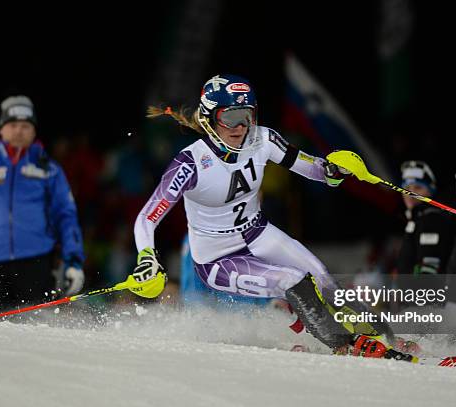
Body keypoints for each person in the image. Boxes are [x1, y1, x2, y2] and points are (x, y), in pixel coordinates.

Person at [130, 74, 402, 359]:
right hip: (217, 259)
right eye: (230, 118)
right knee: (293, 281)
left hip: (258, 233)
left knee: (323, 278)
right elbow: (147, 217)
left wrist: (333, 171)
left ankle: (385, 337)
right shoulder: (190, 163)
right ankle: (345, 345)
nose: (240, 128)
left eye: (246, 116)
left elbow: (311, 168)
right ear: (210, 118)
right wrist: (147, 255)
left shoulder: (263, 138)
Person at [0, 95, 85, 318]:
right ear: (2, 130)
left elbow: (66, 218)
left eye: (25, 126)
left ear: (34, 131)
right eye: (13, 125)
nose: (18, 131)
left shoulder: (50, 171)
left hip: (35, 265)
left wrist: (73, 262)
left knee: (38, 333)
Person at [396, 160, 456, 274]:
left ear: (430, 191)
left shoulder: (432, 217)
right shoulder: (417, 217)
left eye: (418, 187)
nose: (411, 193)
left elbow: (429, 266)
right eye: (407, 187)